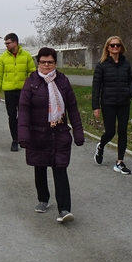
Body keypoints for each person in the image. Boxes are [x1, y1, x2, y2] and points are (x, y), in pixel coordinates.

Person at [17, 47, 84, 223]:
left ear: (55, 63)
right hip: (37, 133)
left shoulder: (63, 81)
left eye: (50, 62)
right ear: (38, 63)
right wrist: (23, 134)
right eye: (43, 62)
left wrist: (78, 132)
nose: (46, 65)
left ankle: (64, 209)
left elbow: (73, 108)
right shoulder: (30, 82)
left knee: (60, 169)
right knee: (39, 167)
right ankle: (43, 198)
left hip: (59, 132)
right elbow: (23, 110)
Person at [92, 35, 132, 175]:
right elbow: (96, 86)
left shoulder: (126, 64)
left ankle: (120, 162)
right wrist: (96, 106)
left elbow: (130, 80)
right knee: (110, 132)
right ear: (108, 48)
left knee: (123, 131)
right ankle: (101, 146)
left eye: (117, 45)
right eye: (112, 45)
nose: (115, 47)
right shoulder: (102, 65)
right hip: (108, 103)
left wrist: (131, 91)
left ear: (121, 47)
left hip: (124, 102)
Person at [0, 33, 36, 151]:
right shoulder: (2, 58)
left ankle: (25, 138)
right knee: (12, 116)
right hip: (9, 91)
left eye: (8, 43)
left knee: (25, 115)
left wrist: (30, 88)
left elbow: (32, 73)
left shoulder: (26, 56)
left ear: (15, 43)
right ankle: (15, 140)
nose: (6, 45)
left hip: (24, 91)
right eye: (5, 43)